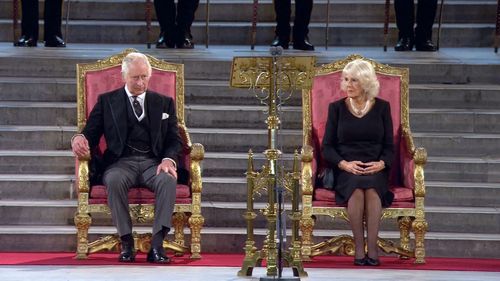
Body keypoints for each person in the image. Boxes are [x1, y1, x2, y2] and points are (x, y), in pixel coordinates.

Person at [71, 52, 182, 263]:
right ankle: (126, 242)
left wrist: (168, 160)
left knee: (168, 180)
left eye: (144, 77)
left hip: (153, 163)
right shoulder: (107, 101)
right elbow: (90, 132)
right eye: (135, 78)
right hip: (121, 163)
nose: (140, 83)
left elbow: (174, 139)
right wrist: (78, 138)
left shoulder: (164, 103)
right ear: (124, 76)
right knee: (113, 180)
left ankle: (157, 245)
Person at [322, 59, 394, 266]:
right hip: (346, 167)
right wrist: (344, 164)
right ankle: (359, 249)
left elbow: (390, 145)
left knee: (371, 189)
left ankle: (372, 250)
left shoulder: (382, 107)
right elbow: (327, 147)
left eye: (354, 80)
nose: (348, 85)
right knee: (355, 188)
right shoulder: (336, 108)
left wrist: (382, 163)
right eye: (346, 80)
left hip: (375, 166)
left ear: (366, 83)